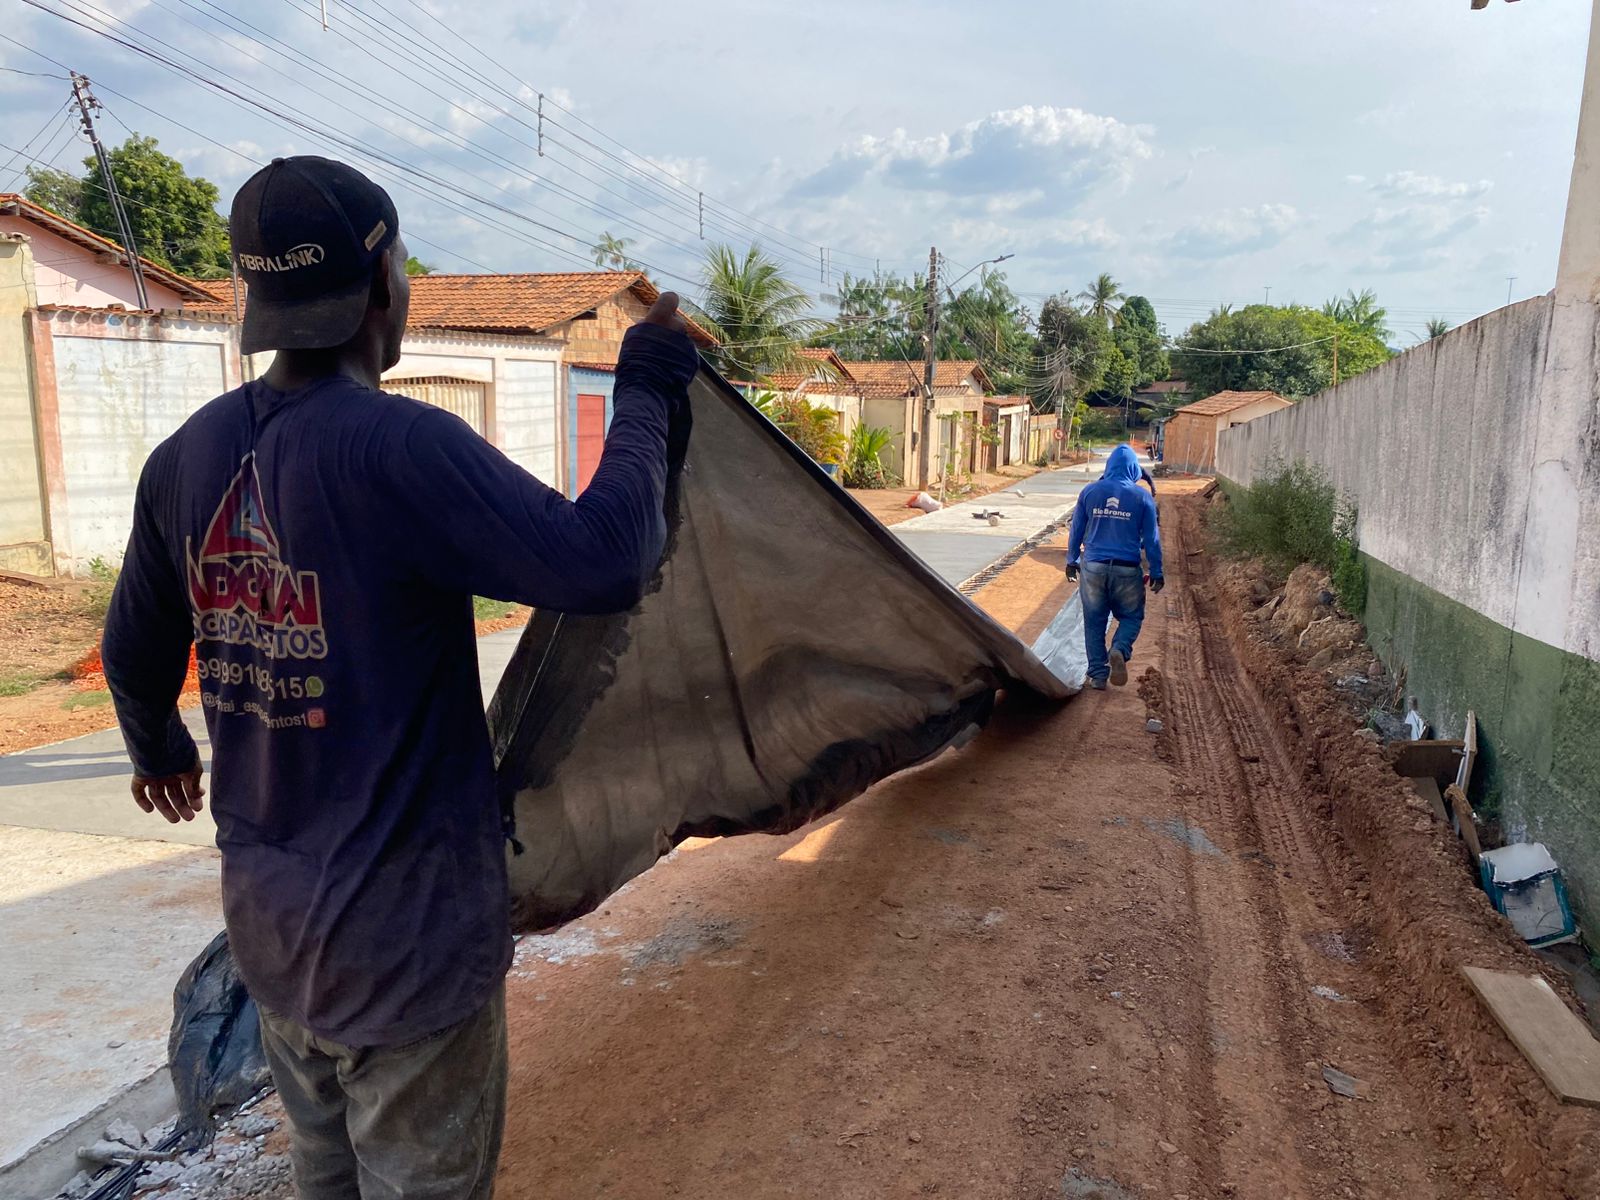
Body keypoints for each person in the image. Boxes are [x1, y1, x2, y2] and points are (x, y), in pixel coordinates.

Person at [100, 156, 699, 1199]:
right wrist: (646, 382)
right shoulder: (402, 449)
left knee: (324, 1173)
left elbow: (132, 647)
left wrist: (156, 745)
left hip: (276, 940)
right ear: (383, 282)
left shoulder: (184, 458)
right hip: (406, 949)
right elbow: (605, 561)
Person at [1064, 443, 1164, 690]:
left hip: (1093, 568)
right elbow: (1152, 539)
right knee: (1131, 616)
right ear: (1133, 469)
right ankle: (1119, 648)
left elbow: (1076, 530)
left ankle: (1098, 675)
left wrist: (1072, 560)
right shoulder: (1142, 497)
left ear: (1109, 466)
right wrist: (1157, 571)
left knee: (1094, 621)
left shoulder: (1090, 492)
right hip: (1127, 570)